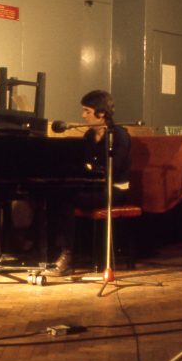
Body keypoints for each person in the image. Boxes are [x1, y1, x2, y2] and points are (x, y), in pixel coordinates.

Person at [47, 90, 132, 276]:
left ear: (101, 113)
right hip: (95, 186)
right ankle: (55, 251)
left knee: (68, 199)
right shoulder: (88, 136)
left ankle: (67, 255)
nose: (83, 115)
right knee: (56, 194)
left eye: (87, 111)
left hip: (115, 189)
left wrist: (91, 170)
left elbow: (114, 169)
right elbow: (85, 166)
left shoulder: (119, 135)